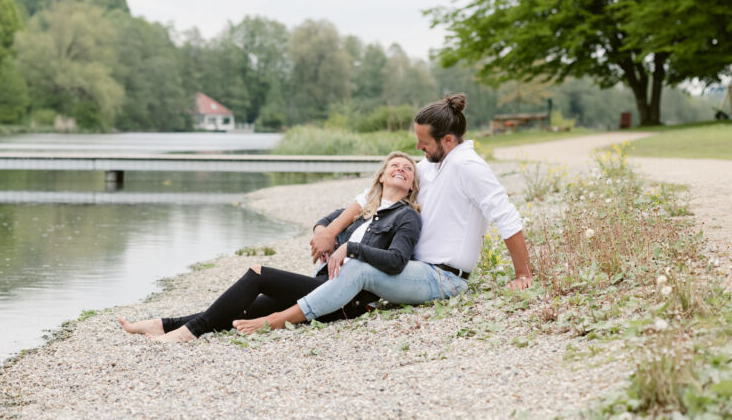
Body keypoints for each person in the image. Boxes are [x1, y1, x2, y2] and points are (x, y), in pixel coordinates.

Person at [233, 93, 533, 334]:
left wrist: (523, 275)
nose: (418, 147)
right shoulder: (431, 165)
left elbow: (506, 217)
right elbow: (369, 197)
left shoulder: (469, 167)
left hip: (442, 277)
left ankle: (277, 320)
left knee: (357, 267)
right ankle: (206, 321)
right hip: (412, 271)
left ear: (448, 140)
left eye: (424, 142)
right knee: (330, 275)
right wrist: (329, 231)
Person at [119, 151, 422, 342]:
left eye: (407, 169)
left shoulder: (407, 217)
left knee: (258, 274)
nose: (400, 169)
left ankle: (187, 334)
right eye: (393, 165)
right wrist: (324, 235)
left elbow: (396, 261)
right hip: (321, 285)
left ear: (411, 186)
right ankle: (163, 324)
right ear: (381, 176)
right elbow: (324, 222)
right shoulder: (365, 208)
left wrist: (350, 249)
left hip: (348, 302)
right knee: (248, 306)